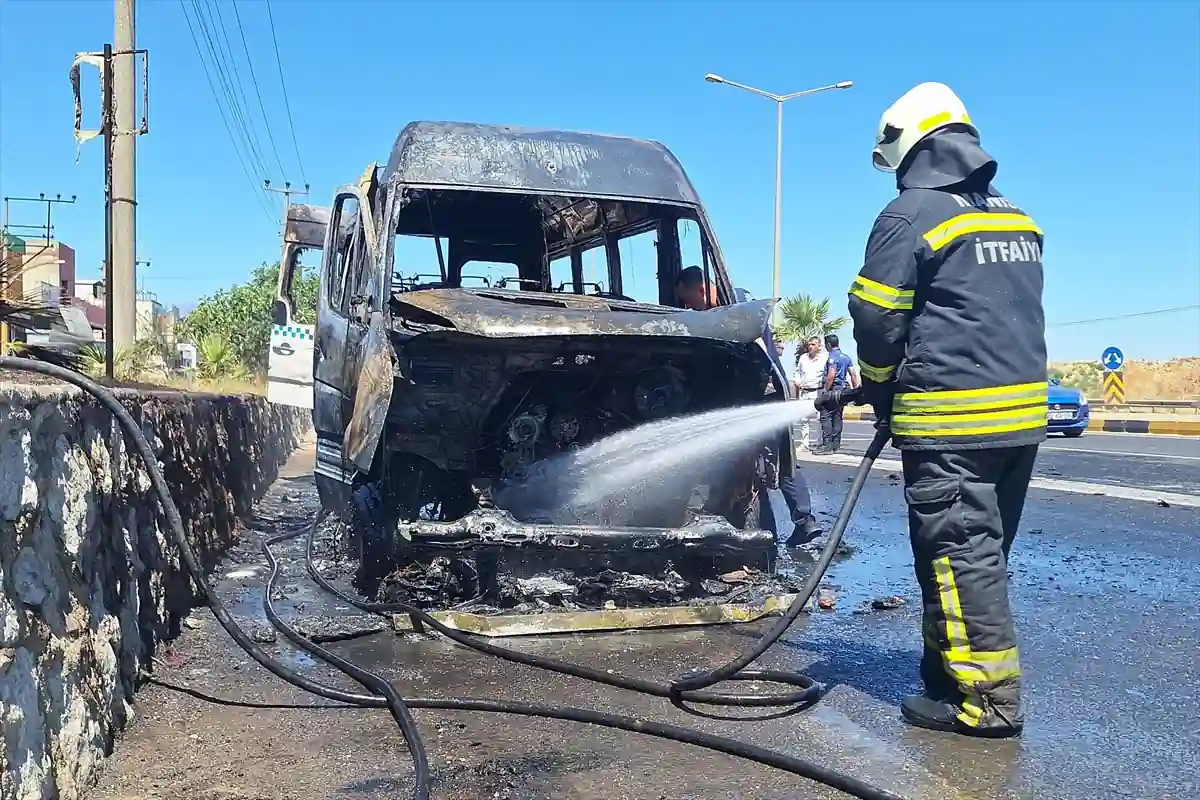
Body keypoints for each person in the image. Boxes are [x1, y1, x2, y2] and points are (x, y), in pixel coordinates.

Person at [849, 82, 1046, 737]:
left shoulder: (912, 215)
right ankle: (946, 676)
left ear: (913, 147)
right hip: (1018, 421)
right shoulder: (1014, 217)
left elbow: (877, 318)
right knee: (971, 558)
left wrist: (879, 386)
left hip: (951, 422)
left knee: (961, 556)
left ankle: (989, 704)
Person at [760, 325, 822, 545]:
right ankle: (805, 521)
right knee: (786, 462)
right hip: (778, 398)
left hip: (760, 402)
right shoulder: (759, 327)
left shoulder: (736, 322)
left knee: (754, 468)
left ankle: (764, 534)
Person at [814, 334, 856, 454]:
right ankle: (836, 444)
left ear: (828, 345)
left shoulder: (832, 357)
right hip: (842, 391)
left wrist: (826, 391)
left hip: (833, 389)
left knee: (825, 416)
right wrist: (854, 391)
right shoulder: (846, 357)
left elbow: (831, 375)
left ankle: (827, 445)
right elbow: (853, 374)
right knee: (837, 416)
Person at [792, 337, 828, 450]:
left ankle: (818, 442)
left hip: (817, 391)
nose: (810, 347)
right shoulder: (803, 358)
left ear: (819, 346)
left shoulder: (824, 359)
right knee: (804, 419)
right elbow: (798, 372)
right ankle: (804, 443)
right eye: (809, 344)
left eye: (813, 344)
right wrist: (797, 381)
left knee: (818, 419)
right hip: (805, 392)